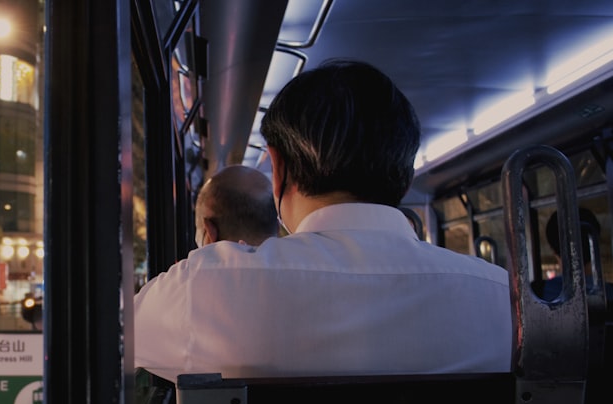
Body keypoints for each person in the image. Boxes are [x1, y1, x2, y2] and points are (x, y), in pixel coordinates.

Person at [135, 60, 512, 380]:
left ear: (277, 169)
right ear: (406, 172)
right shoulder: (503, 300)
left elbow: (114, 336)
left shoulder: (204, 289)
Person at [194, 165, 279, 248]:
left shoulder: (193, 262)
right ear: (278, 228)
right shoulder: (290, 258)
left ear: (209, 232)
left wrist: (209, 255)